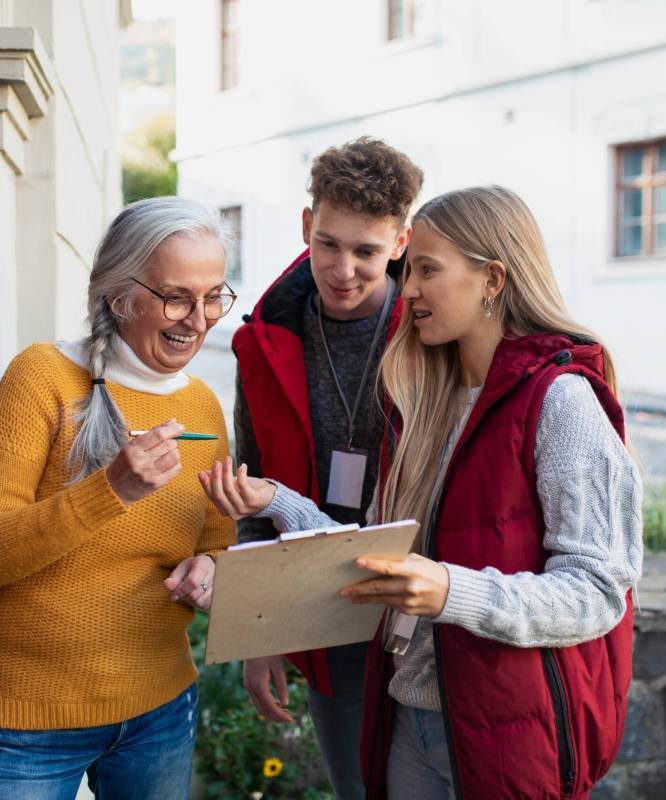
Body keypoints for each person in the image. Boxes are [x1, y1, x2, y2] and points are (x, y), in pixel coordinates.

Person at [201, 185, 643, 800]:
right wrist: (275, 500)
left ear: (492, 279)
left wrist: (447, 590)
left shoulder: (563, 403)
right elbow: (369, 551)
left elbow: (598, 592)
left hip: (509, 733)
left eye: (426, 271)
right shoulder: (423, 400)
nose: (405, 290)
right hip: (409, 719)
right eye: (411, 272)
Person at [0, 197, 237, 800]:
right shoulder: (42, 378)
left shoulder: (204, 406)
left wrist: (210, 570)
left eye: (214, 295)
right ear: (120, 297)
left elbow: (216, 540)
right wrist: (110, 491)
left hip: (160, 709)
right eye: (177, 296)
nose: (200, 317)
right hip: (27, 723)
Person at [231, 137, 423, 799]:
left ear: (401, 241)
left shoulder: (434, 333)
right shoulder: (264, 340)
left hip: (429, 608)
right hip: (326, 606)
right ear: (307, 227)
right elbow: (251, 494)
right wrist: (263, 632)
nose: (344, 270)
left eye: (366, 251)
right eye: (329, 245)